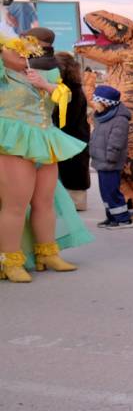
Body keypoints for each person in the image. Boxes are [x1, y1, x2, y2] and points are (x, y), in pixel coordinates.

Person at [0, 31, 91, 281]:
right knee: (15, 205)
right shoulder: (2, 73)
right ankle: (10, 261)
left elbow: (66, 97)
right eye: (17, 49)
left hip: (44, 139)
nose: (25, 53)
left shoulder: (46, 71)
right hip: (13, 142)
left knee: (44, 202)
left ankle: (47, 253)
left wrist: (45, 84)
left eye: (29, 49)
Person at [90, 85, 133, 230]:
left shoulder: (119, 119)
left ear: (106, 103)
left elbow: (116, 141)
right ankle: (111, 218)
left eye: (96, 102)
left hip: (110, 162)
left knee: (112, 191)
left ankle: (123, 219)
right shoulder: (102, 117)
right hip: (101, 161)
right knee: (105, 192)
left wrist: (110, 158)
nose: (94, 104)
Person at [55, 51, 91, 211]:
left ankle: (76, 202)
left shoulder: (69, 90)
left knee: (73, 169)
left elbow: (67, 119)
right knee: (75, 168)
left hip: (71, 137)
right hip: (77, 135)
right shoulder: (74, 87)